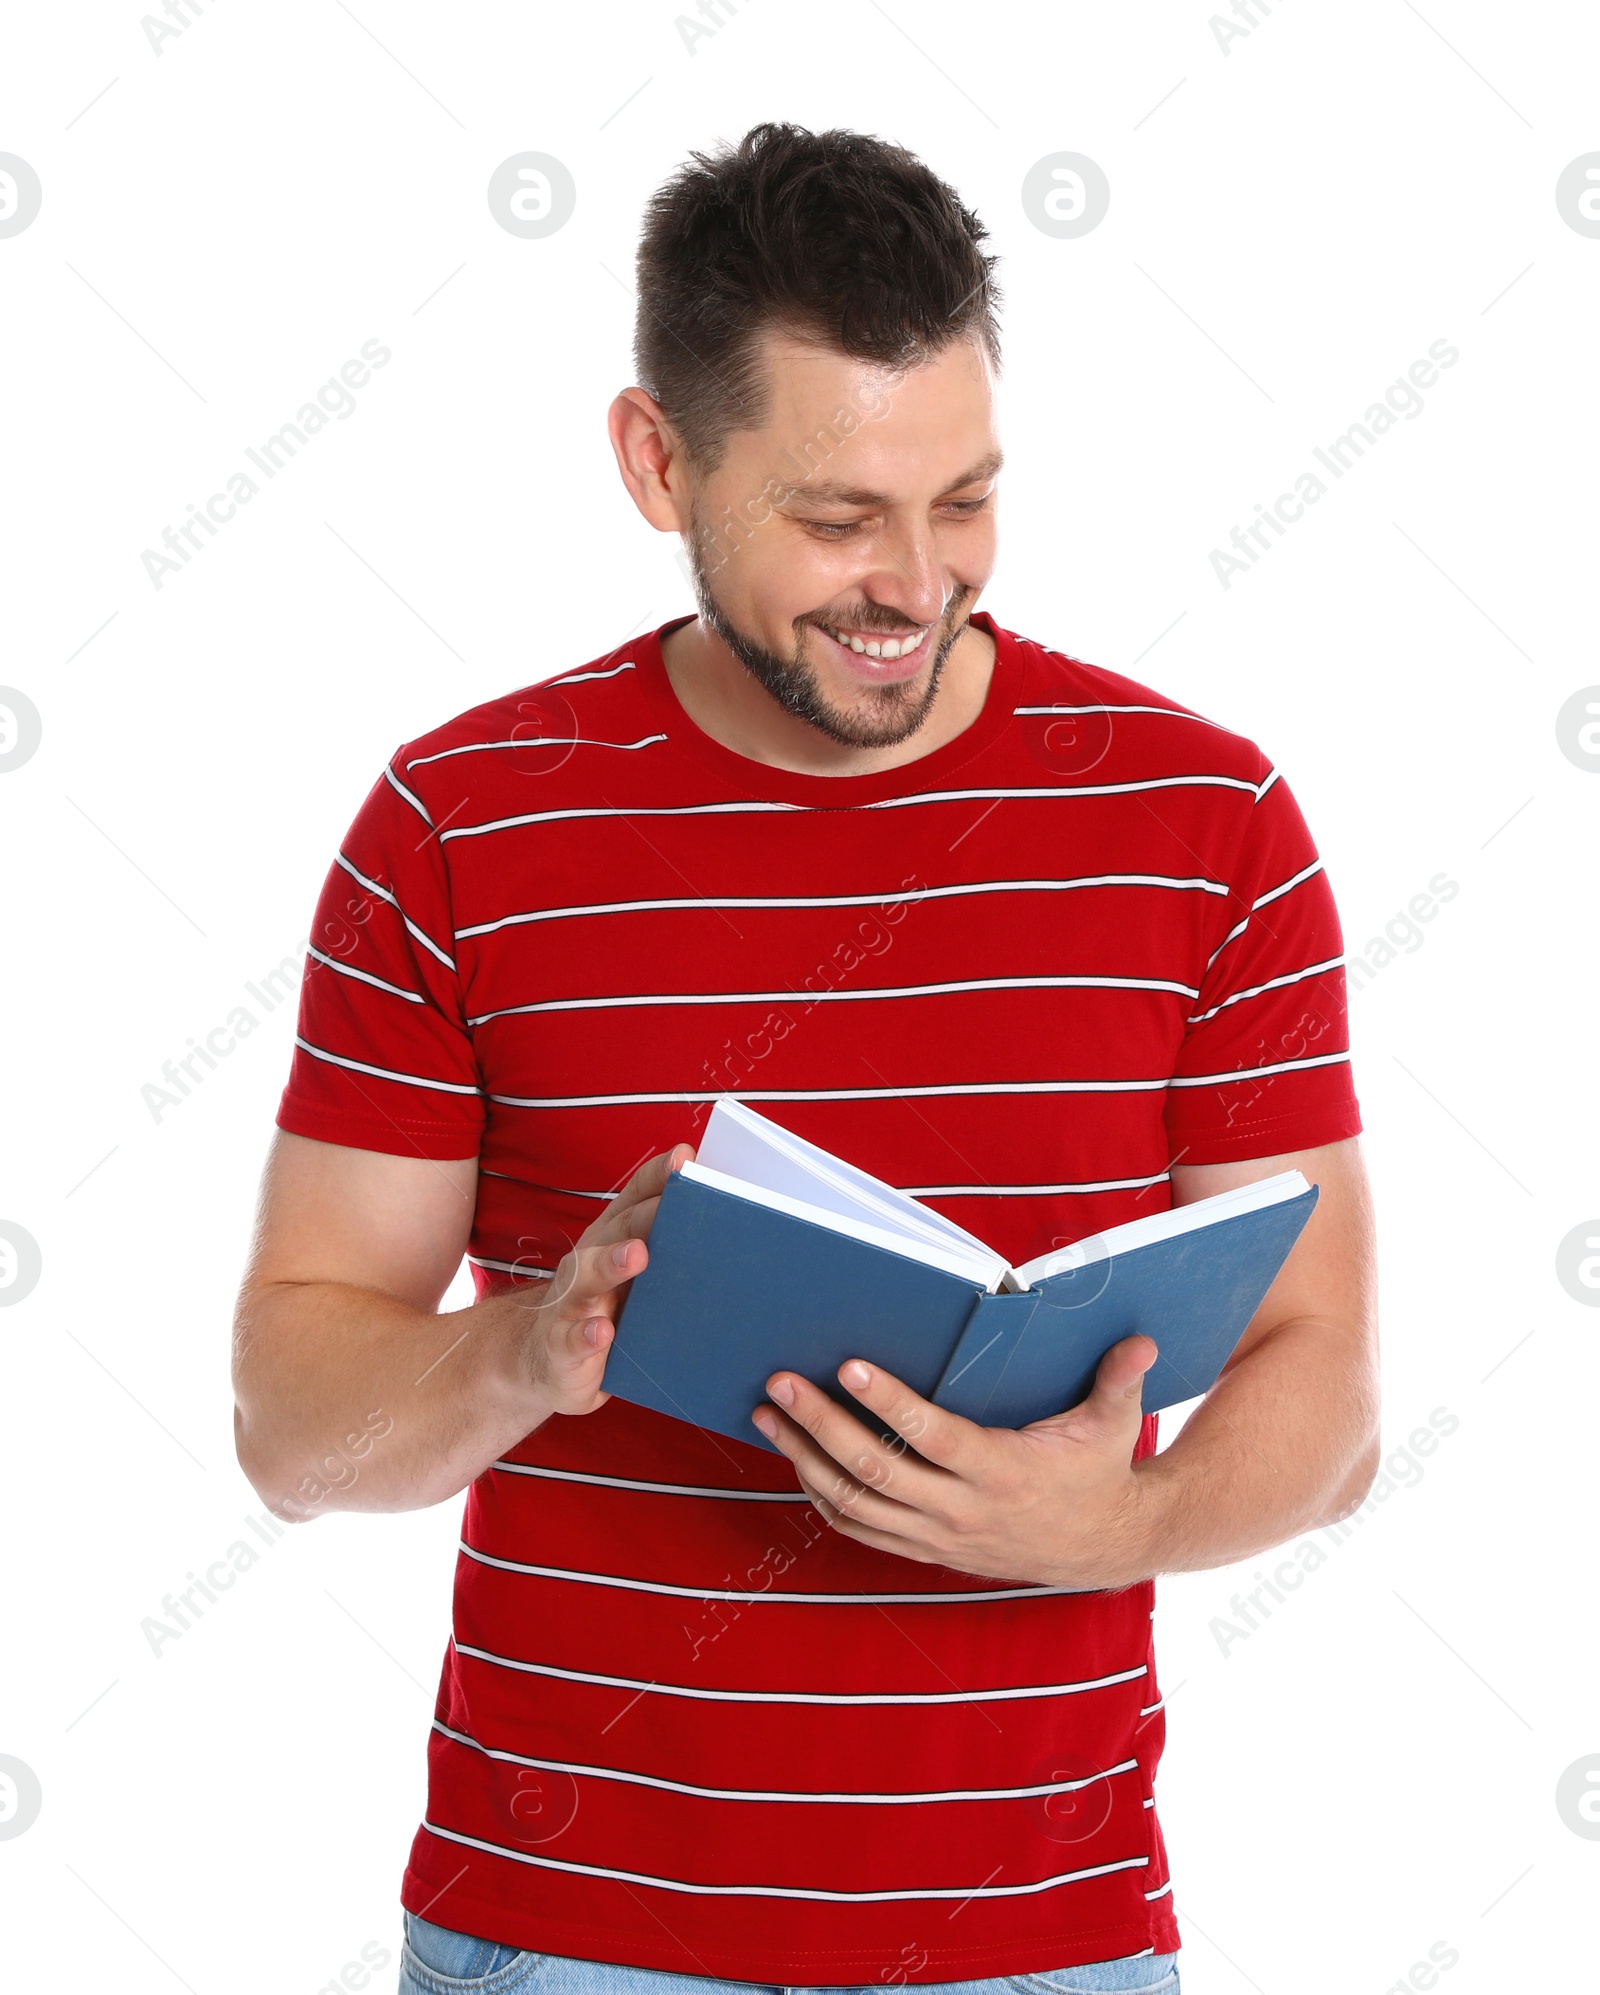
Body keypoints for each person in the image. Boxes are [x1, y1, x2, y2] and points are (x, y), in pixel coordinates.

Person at [232, 123, 1378, 1994]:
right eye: (839, 520)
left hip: (1040, 1943)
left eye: (967, 504)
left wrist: (1132, 1517)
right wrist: (519, 1348)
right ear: (656, 460)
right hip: (568, 1942)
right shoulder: (460, 825)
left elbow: (1325, 1392)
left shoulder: (1205, 821)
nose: (914, 585)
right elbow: (292, 1425)